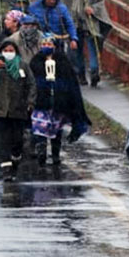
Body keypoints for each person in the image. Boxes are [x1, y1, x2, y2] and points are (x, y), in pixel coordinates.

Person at [29, 33, 90, 167]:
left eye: (49, 44)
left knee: (56, 129)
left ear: (55, 46)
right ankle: (41, 150)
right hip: (41, 102)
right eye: (44, 44)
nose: (46, 47)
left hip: (58, 102)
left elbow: (70, 82)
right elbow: (31, 81)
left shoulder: (62, 61)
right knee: (40, 127)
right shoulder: (35, 61)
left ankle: (55, 154)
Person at [0, 38, 34, 182]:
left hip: (18, 109)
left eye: (11, 51)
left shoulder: (22, 65)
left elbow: (31, 84)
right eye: (6, 51)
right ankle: (6, 169)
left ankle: (16, 158)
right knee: (2, 141)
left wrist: (30, 102)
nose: (8, 53)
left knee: (17, 140)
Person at [60, 0, 107, 87]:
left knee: (93, 47)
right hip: (74, 21)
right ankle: (80, 73)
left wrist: (93, 9)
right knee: (77, 50)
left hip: (90, 21)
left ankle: (94, 72)